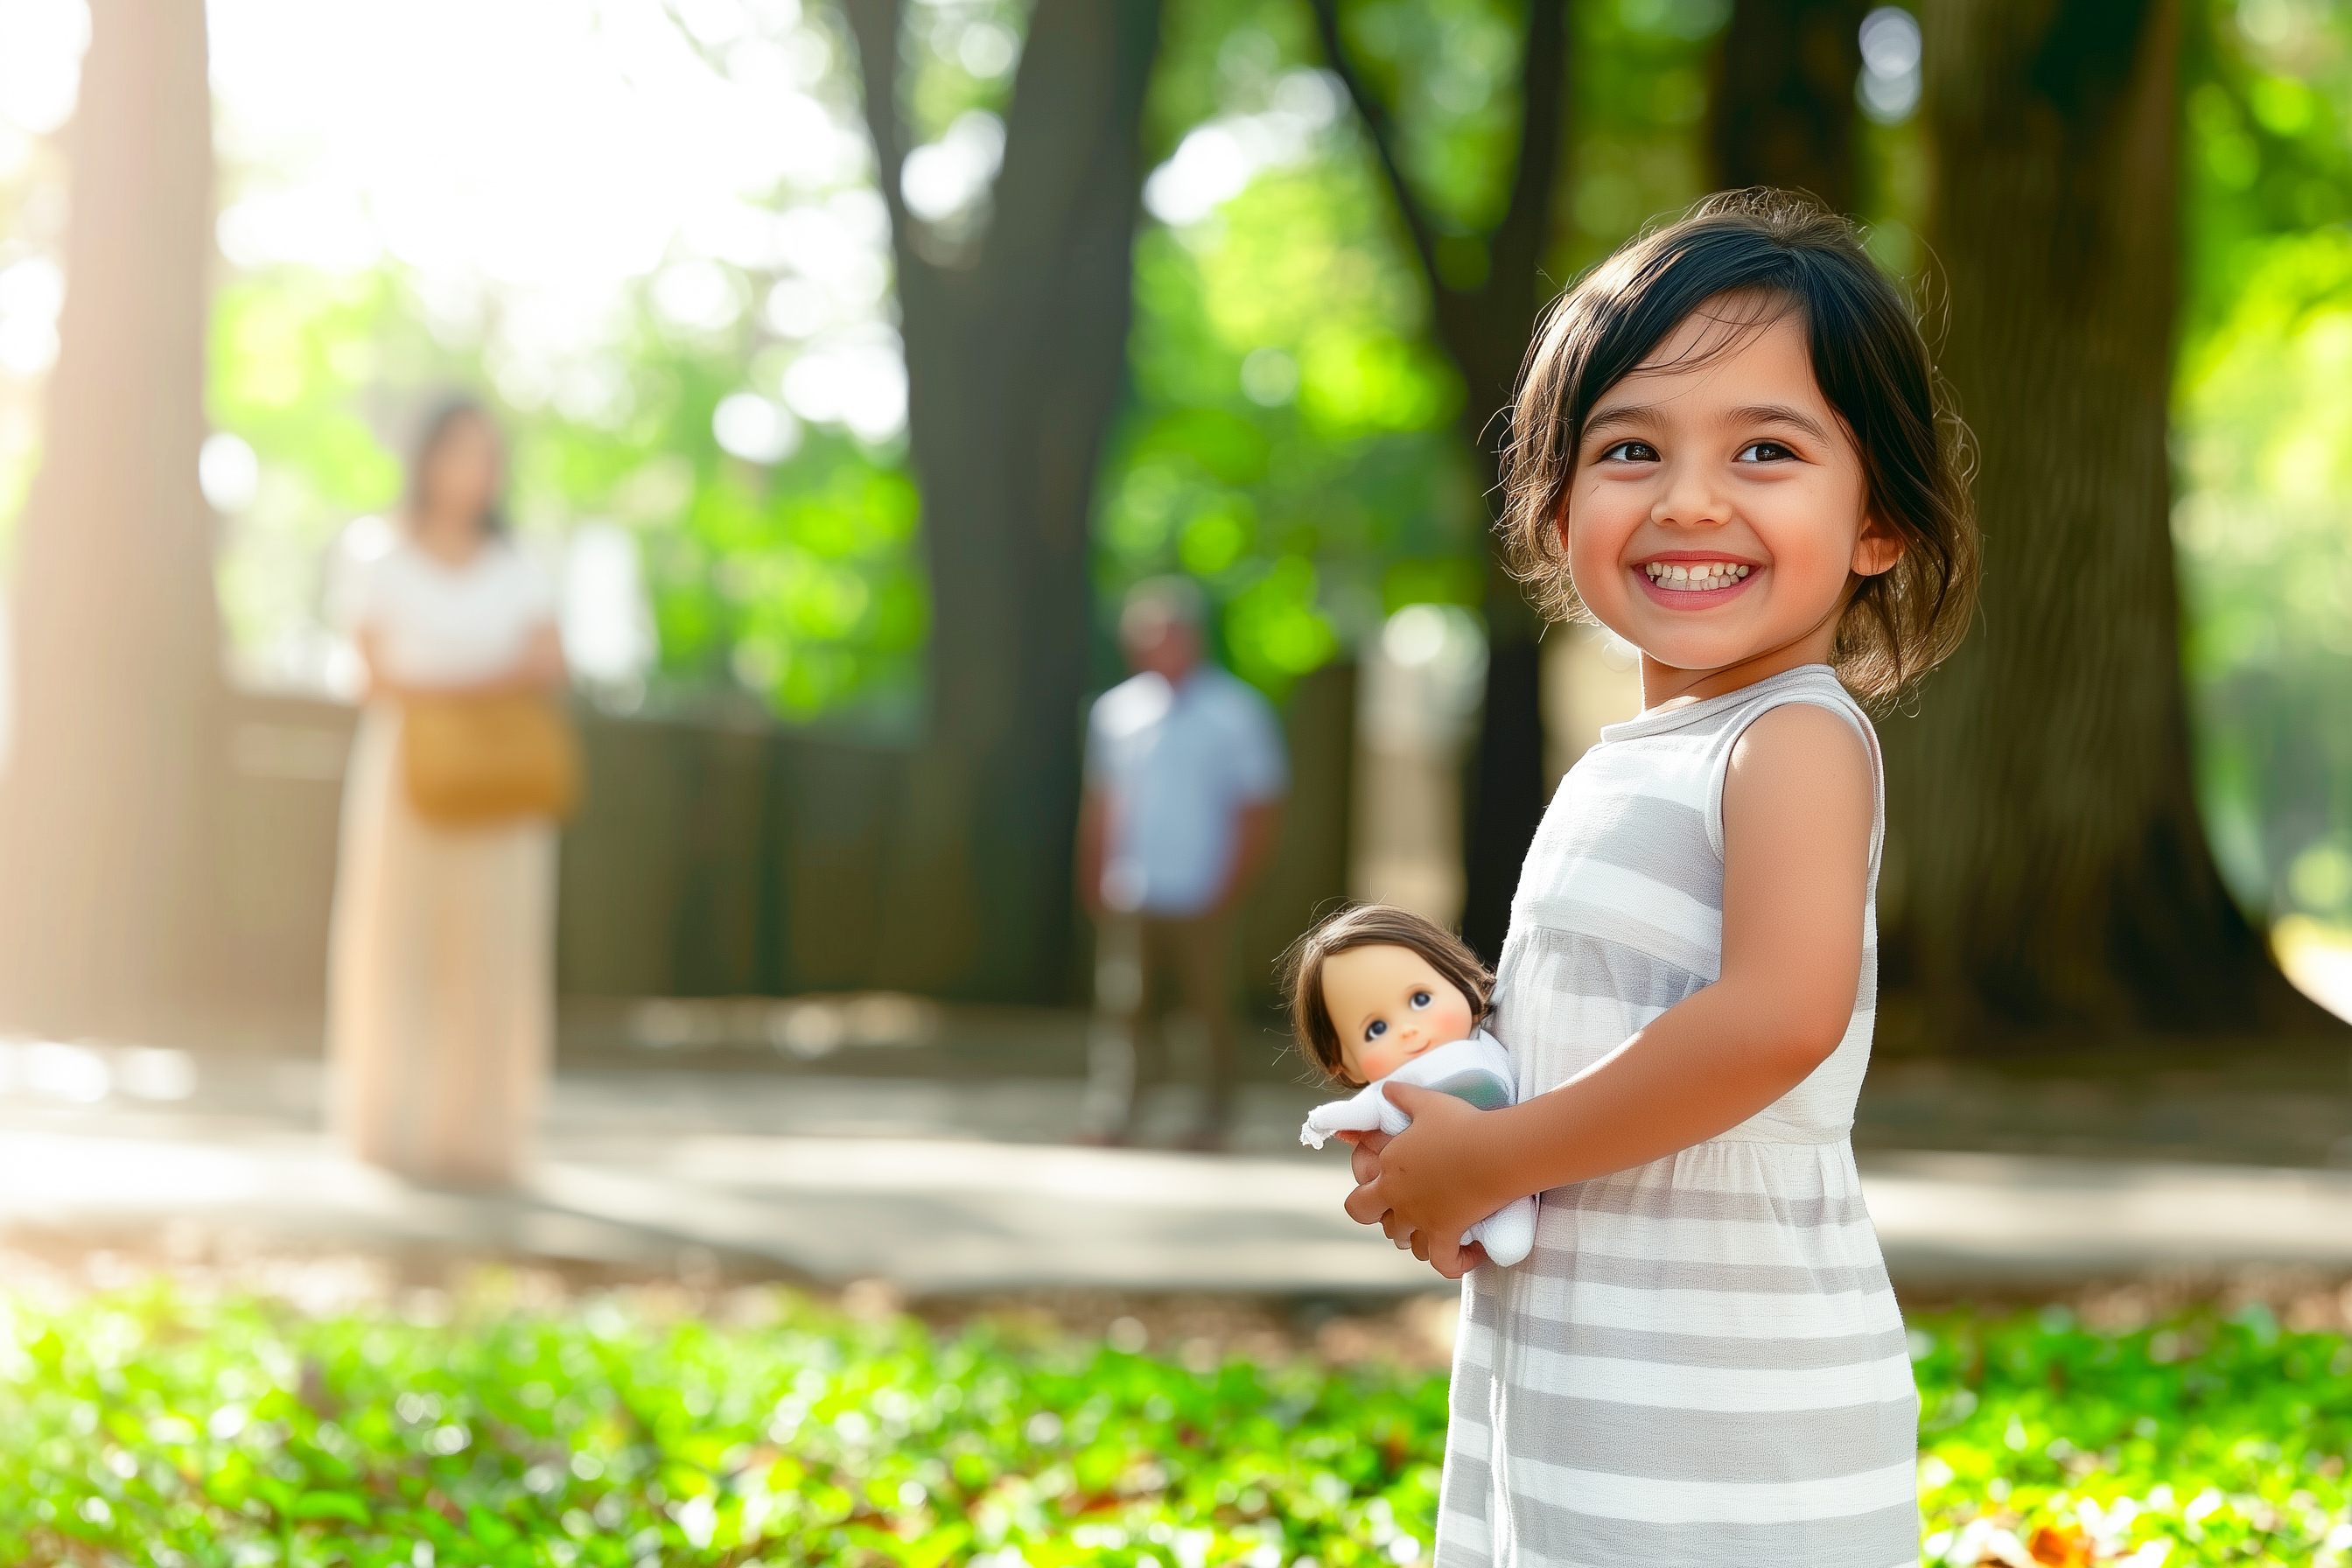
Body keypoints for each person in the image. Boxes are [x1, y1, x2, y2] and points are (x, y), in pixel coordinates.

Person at [1338, 189, 1979, 1564]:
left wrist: (1497, 1157)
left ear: (1880, 521)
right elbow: (1595, 1036)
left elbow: (1775, 1019)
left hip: (1726, 1425)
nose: (1691, 498)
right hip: (1589, 1383)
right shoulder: (1639, 757)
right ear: (1557, 503)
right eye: (1631, 447)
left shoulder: (1792, 738)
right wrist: (1457, 1141)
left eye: (1766, 448)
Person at [326, 397, 568, 1189]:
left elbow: (548, 661)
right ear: (426, 459)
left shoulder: (519, 564)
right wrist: (475, 688)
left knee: (493, 952)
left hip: (501, 783)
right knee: (397, 945)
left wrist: (445, 689)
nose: (472, 471)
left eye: (486, 455)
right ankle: (389, 1127)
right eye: (458, 452)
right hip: (408, 774)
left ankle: (480, 1138)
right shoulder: (378, 553)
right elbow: (373, 673)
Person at [1076, 578, 1286, 1149]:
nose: (1154, 645)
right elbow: (1103, 803)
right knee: (1125, 1006)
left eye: (1166, 633)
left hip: (1204, 887)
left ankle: (1212, 1117)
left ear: (1192, 637)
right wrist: (1093, 869)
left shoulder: (1237, 712)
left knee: (1207, 1006)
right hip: (1133, 886)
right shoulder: (1115, 713)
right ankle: (1116, 1111)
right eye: (1144, 636)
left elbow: (1259, 807)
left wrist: (1233, 881)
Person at [1284, 904, 1536, 1268]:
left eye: (1420, 1000)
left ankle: (1503, 1222)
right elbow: (1367, 1108)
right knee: (1502, 1240)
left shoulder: (1498, 1042)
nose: (1407, 1028)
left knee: (1511, 1238)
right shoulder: (1394, 1088)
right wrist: (1323, 1122)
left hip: (1519, 1169)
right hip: (1448, 1187)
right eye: (1376, 1029)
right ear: (1346, 1063)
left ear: (1460, 979)